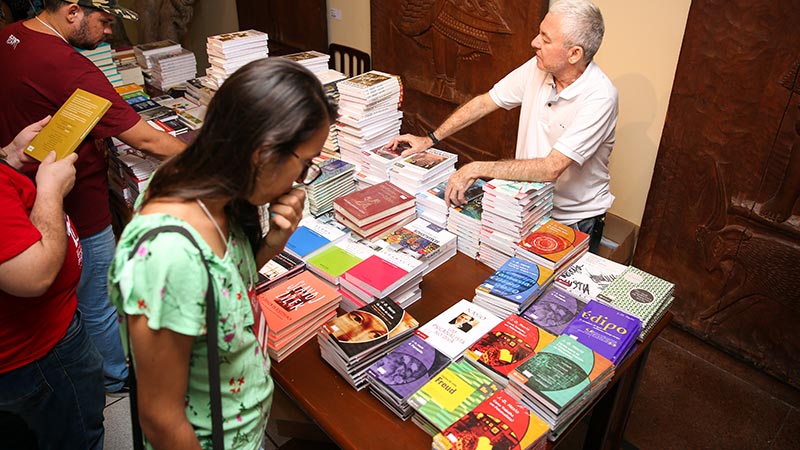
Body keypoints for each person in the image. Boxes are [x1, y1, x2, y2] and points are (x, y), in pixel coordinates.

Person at [107, 58, 336, 450]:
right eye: (305, 164)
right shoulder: (168, 255)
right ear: (263, 154)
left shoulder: (215, 193)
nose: (301, 180)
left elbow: (226, 285)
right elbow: (161, 419)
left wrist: (274, 243)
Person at [0, 0, 187, 394]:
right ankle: (117, 377)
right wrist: (213, 156)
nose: (108, 34)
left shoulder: (11, 34)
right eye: (104, 23)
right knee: (98, 300)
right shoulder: (67, 65)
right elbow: (147, 138)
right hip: (72, 203)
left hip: (23, 187)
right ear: (72, 12)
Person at [387, 0, 618, 254]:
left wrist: (476, 168)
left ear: (574, 54)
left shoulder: (600, 97)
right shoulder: (538, 68)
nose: (534, 42)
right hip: (529, 204)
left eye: (545, 38)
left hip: (573, 220)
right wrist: (430, 138)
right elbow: (486, 102)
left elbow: (552, 167)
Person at [1, 118, 105, 450]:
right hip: (37, 355)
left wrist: (11, 156)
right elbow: (36, 276)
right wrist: (50, 190)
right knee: (76, 436)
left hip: (41, 342)